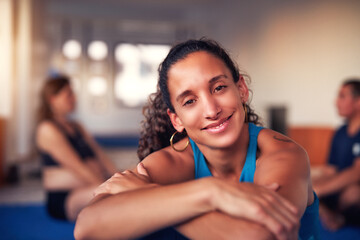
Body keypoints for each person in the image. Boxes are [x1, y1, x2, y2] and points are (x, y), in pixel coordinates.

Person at [74, 39, 319, 240]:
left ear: (241, 89)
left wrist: (148, 193)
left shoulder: (284, 155)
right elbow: (87, 226)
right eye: (190, 101)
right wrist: (210, 192)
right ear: (176, 119)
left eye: (219, 88)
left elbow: (261, 236)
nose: (211, 110)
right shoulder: (173, 160)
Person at [36, 75, 117, 221]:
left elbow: (101, 157)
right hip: (66, 197)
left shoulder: (77, 126)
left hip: (91, 184)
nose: (74, 99)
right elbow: (78, 167)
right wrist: (107, 186)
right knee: (116, 195)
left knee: (126, 188)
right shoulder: (47, 129)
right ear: (52, 99)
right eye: (69, 94)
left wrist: (119, 176)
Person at [312, 79, 360, 230]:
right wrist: (307, 178)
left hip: (353, 189)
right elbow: (331, 169)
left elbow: (357, 173)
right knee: (304, 183)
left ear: (358, 102)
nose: (336, 102)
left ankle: (336, 216)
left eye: (342, 96)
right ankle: (328, 214)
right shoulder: (340, 132)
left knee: (353, 193)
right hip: (338, 186)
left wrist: (319, 189)